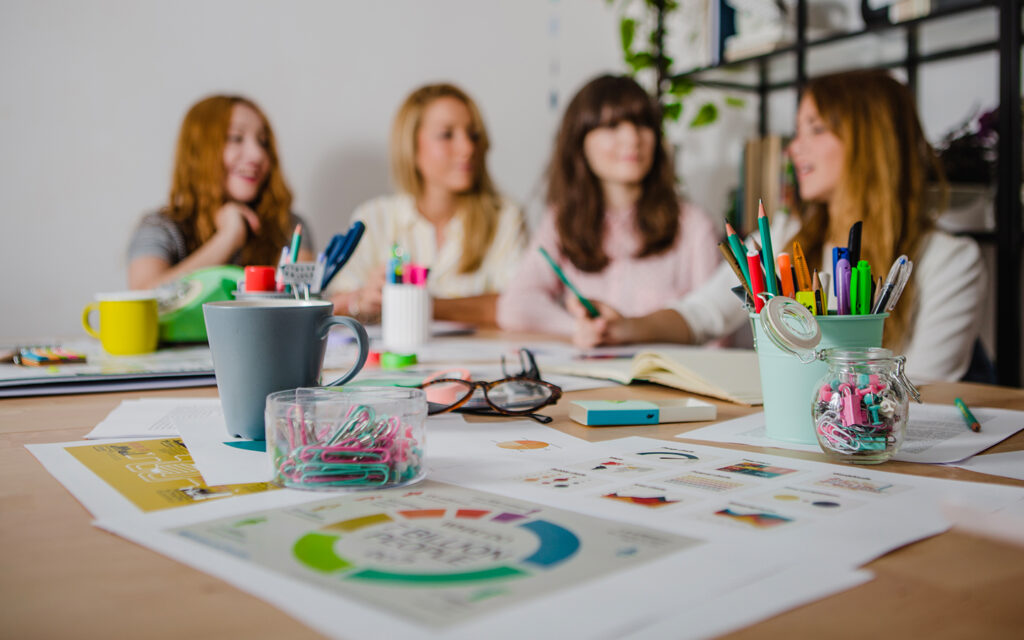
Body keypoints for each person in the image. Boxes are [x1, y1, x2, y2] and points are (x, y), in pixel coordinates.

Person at [576, 69, 986, 383]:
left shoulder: (950, 262)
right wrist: (626, 328)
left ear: (871, 141)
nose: (793, 148)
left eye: (816, 128)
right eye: (796, 131)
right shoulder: (784, 236)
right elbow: (703, 314)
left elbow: (923, 390)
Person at [496, 74, 720, 344]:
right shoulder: (561, 221)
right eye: (612, 125)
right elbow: (514, 306)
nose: (632, 138)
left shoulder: (695, 227)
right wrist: (580, 328)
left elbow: (716, 336)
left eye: (642, 124)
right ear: (580, 142)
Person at [325, 83, 528, 326]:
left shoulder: (506, 218)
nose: (468, 148)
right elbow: (333, 306)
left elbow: (519, 305)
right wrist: (361, 300)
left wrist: (412, 302)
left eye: (474, 135)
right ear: (411, 145)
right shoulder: (374, 217)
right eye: (447, 135)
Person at [127, 95, 313, 290]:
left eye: (263, 142)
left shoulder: (288, 226)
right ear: (199, 152)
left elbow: (304, 297)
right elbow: (145, 299)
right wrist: (227, 238)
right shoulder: (160, 228)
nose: (258, 155)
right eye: (235, 138)